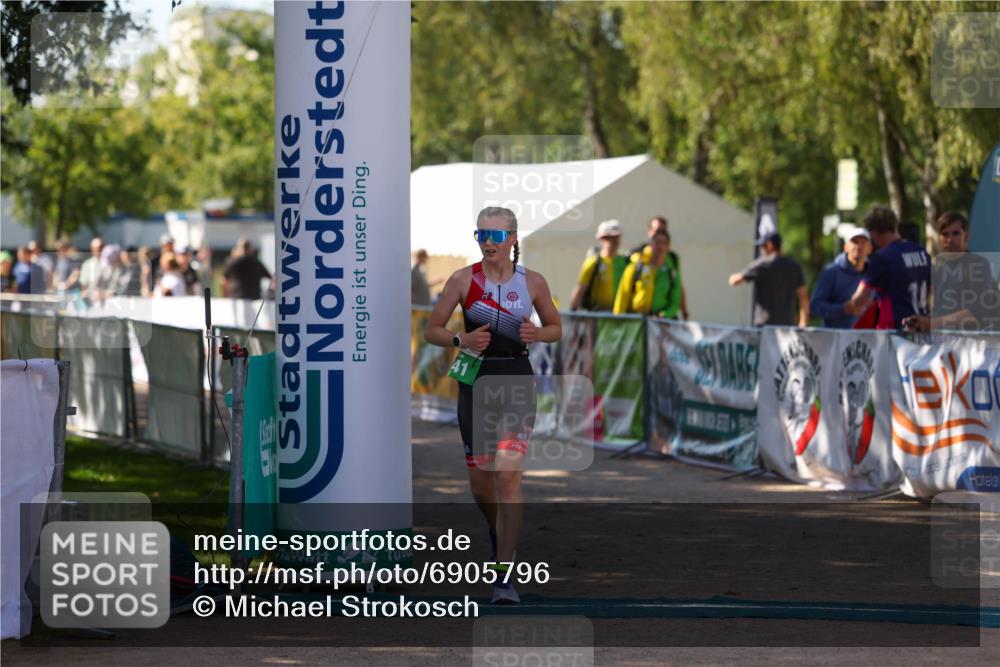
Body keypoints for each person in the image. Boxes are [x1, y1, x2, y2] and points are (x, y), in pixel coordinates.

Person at [423, 206, 562, 605]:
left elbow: (556, 327)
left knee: (508, 477)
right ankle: (499, 533)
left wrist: (538, 333)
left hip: (516, 378)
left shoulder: (532, 282)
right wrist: (460, 340)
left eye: (496, 236)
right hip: (476, 380)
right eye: (481, 235)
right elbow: (432, 329)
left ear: (512, 239)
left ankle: (504, 575)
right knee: (482, 484)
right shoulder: (462, 279)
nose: (488, 242)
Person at [903, 211, 1000, 332]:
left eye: (956, 233)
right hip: (947, 340)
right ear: (939, 237)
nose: (949, 239)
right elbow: (942, 312)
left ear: (966, 236)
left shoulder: (978, 265)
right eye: (945, 234)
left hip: (981, 340)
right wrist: (919, 322)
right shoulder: (938, 267)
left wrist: (931, 323)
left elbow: (977, 312)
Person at [844, 206, 930, 330]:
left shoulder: (883, 257)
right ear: (895, 225)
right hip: (922, 327)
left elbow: (859, 299)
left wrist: (845, 308)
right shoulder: (922, 251)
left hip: (896, 331)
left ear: (874, 233)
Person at [728, 231, 808, 327]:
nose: (761, 250)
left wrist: (734, 275)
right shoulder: (794, 266)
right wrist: (803, 321)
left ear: (769, 245)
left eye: (762, 246)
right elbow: (803, 296)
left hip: (764, 326)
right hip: (787, 325)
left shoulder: (762, 264)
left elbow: (734, 281)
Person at [809, 226, 872, 328]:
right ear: (845, 247)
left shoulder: (874, 273)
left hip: (868, 336)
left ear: (870, 248)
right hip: (835, 336)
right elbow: (814, 306)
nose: (859, 246)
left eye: (863, 242)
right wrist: (843, 309)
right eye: (855, 242)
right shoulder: (831, 272)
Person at [613, 228, 684, 318]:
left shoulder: (671, 273)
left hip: (660, 321)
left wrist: (664, 315)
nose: (660, 246)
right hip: (637, 319)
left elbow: (675, 302)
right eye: (657, 242)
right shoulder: (636, 267)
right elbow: (623, 296)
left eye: (663, 243)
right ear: (650, 245)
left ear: (668, 247)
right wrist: (617, 319)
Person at [629, 216, 689, 319]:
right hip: (641, 316)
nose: (660, 234)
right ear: (649, 231)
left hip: (663, 316)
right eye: (657, 231)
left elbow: (678, 286)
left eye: (663, 231)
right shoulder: (638, 255)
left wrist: (683, 311)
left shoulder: (672, 258)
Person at [569, 219, 628, 311]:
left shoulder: (625, 262)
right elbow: (580, 289)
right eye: (609, 237)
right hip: (597, 314)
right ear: (602, 238)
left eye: (617, 237)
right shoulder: (593, 262)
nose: (614, 241)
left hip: (620, 315)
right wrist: (573, 311)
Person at [78, 237, 104, 302]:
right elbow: (83, 283)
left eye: (100, 248)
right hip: (91, 299)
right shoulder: (87, 264)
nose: (98, 250)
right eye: (95, 248)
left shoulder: (109, 263)